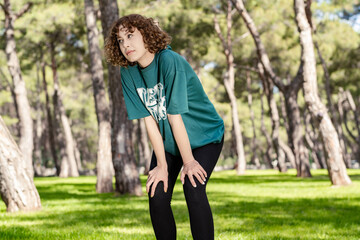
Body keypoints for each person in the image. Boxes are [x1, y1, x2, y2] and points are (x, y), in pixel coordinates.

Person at [104, 14, 224, 240]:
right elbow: (149, 120)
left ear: (147, 35)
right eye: (120, 40)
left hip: (204, 136)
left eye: (130, 36)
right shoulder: (128, 71)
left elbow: (173, 116)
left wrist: (189, 163)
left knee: (193, 187)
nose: (125, 44)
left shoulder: (169, 60)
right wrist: (161, 165)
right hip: (170, 141)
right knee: (157, 193)